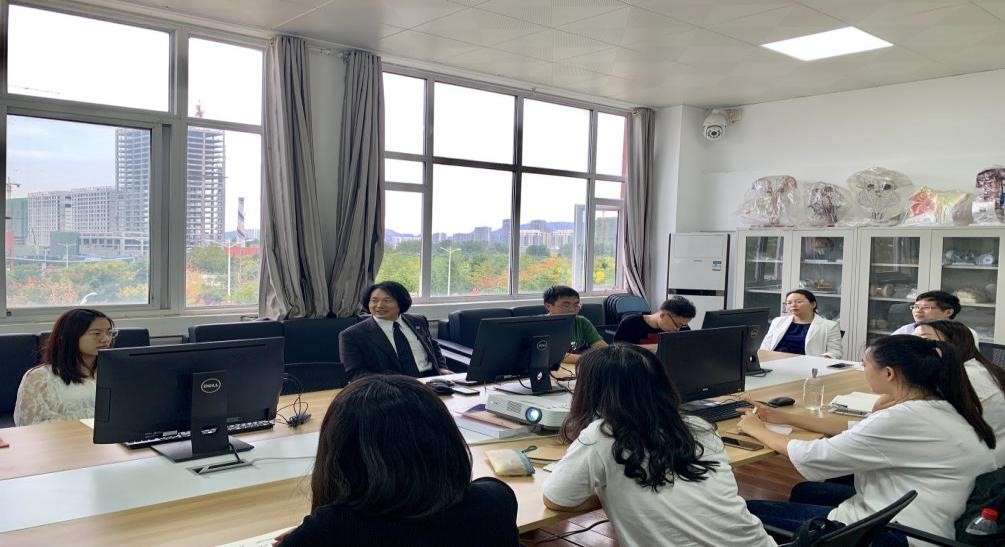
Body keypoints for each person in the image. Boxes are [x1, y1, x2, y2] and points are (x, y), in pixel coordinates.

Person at [739, 335, 997, 545]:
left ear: (888, 373)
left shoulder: (902, 417)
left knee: (747, 513)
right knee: (805, 491)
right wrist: (784, 417)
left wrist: (757, 430)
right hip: (924, 513)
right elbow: (857, 430)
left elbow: (816, 455)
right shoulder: (941, 404)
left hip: (899, 532)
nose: (863, 370)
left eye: (865, 364)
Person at [542, 345, 776, 547]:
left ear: (591, 391)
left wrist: (605, 494)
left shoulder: (602, 435)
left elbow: (556, 499)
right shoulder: (698, 426)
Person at [276, 375, 519, 546]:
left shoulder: (329, 529)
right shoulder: (497, 499)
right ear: (446, 440)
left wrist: (306, 538)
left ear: (340, 457)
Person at [913, 319, 1005, 467]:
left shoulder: (958, 379)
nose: (912, 346)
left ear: (954, 344)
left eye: (924, 340)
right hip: (991, 456)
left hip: (973, 465)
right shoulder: (978, 368)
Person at [13, 308, 117, 426]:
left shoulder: (115, 372)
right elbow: (29, 425)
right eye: (97, 333)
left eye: (109, 333)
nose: (106, 339)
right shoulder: (39, 377)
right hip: (63, 437)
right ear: (69, 336)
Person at [339, 281, 449, 381]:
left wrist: (442, 368)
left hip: (432, 380)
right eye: (374, 301)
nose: (379, 306)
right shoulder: (352, 335)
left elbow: (433, 346)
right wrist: (395, 384)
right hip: (390, 386)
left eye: (387, 300)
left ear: (401, 302)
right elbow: (355, 373)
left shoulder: (418, 321)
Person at [760, 289, 842, 358]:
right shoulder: (777, 321)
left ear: (813, 304)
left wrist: (820, 361)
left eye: (799, 302)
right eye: (789, 303)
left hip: (808, 366)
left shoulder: (830, 326)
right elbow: (765, 346)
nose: (793, 305)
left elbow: (835, 352)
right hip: (775, 362)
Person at [543, 285, 606, 364]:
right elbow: (550, 355)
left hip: (576, 367)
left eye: (576, 305)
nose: (572, 310)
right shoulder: (539, 325)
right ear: (548, 306)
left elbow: (603, 348)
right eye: (566, 305)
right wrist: (589, 358)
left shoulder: (581, 322)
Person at [890, 290, 979, 342]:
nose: (918, 311)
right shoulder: (905, 330)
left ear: (948, 312)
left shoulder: (964, 333)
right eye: (916, 307)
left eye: (926, 307)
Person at [613, 296, 694, 345]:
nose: (678, 329)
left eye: (683, 325)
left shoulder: (683, 328)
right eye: (677, 324)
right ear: (663, 315)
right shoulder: (631, 323)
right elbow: (618, 350)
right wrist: (655, 348)